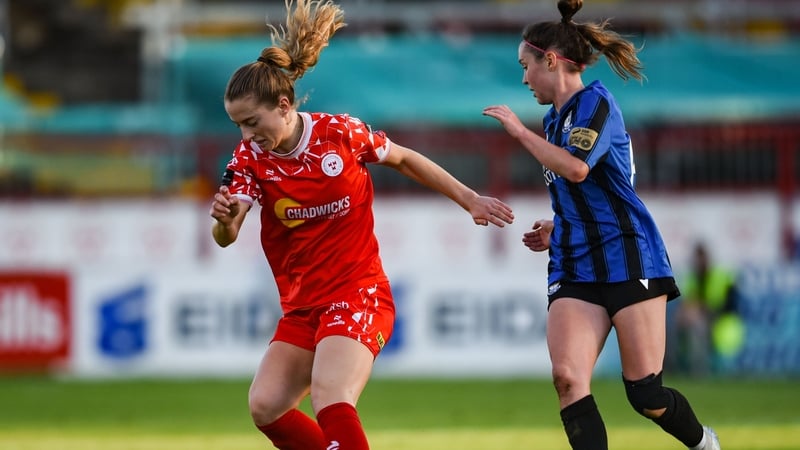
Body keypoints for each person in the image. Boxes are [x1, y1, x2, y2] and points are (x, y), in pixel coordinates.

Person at [209, 1, 514, 449]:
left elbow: (405, 158)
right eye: (238, 125)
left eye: (252, 122)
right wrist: (225, 223)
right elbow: (227, 233)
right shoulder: (249, 160)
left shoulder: (340, 134)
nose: (246, 135)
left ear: (284, 105)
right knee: (266, 405)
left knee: (332, 395)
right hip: (302, 307)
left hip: (358, 294)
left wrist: (469, 199)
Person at [482, 1, 720, 449]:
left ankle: (705, 443)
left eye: (525, 66)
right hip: (575, 260)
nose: (523, 78)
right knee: (567, 379)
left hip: (628, 255)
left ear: (550, 60)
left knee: (646, 395)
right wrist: (559, 224)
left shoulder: (595, 103)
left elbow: (576, 169)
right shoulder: (555, 120)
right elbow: (587, 189)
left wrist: (518, 131)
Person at [673, 241, 743, 376]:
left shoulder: (720, 275)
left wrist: (703, 309)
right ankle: (686, 365)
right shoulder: (693, 277)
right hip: (704, 317)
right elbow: (689, 301)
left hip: (722, 318)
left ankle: (698, 368)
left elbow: (730, 304)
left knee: (696, 325)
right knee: (688, 321)